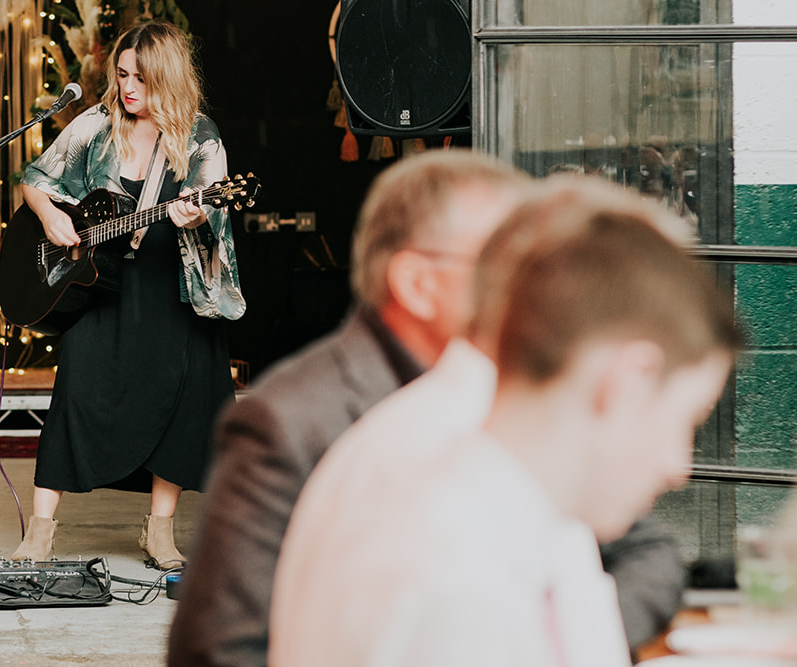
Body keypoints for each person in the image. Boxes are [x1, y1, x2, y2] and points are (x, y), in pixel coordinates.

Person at [268, 177, 737, 667]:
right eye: (684, 420)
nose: (678, 467)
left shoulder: (494, 490)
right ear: (626, 380)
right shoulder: (461, 572)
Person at [168, 150, 531, 667]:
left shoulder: (517, 389)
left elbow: (640, 553)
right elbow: (219, 649)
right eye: (507, 263)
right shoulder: (288, 420)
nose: (533, 287)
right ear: (417, 283)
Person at [11, 19, 244, 568]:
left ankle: (159, 531)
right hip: (102, 286)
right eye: (121, 75)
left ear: (169, 78)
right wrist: (49, 219)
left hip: (170, 289)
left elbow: (212, 217)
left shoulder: (200, 135)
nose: (127, 88)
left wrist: (193, 216)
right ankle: (39, 532)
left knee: (181, 402)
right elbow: (35, 179)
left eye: (140, 78)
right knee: (75, 397)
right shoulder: (95, 123)